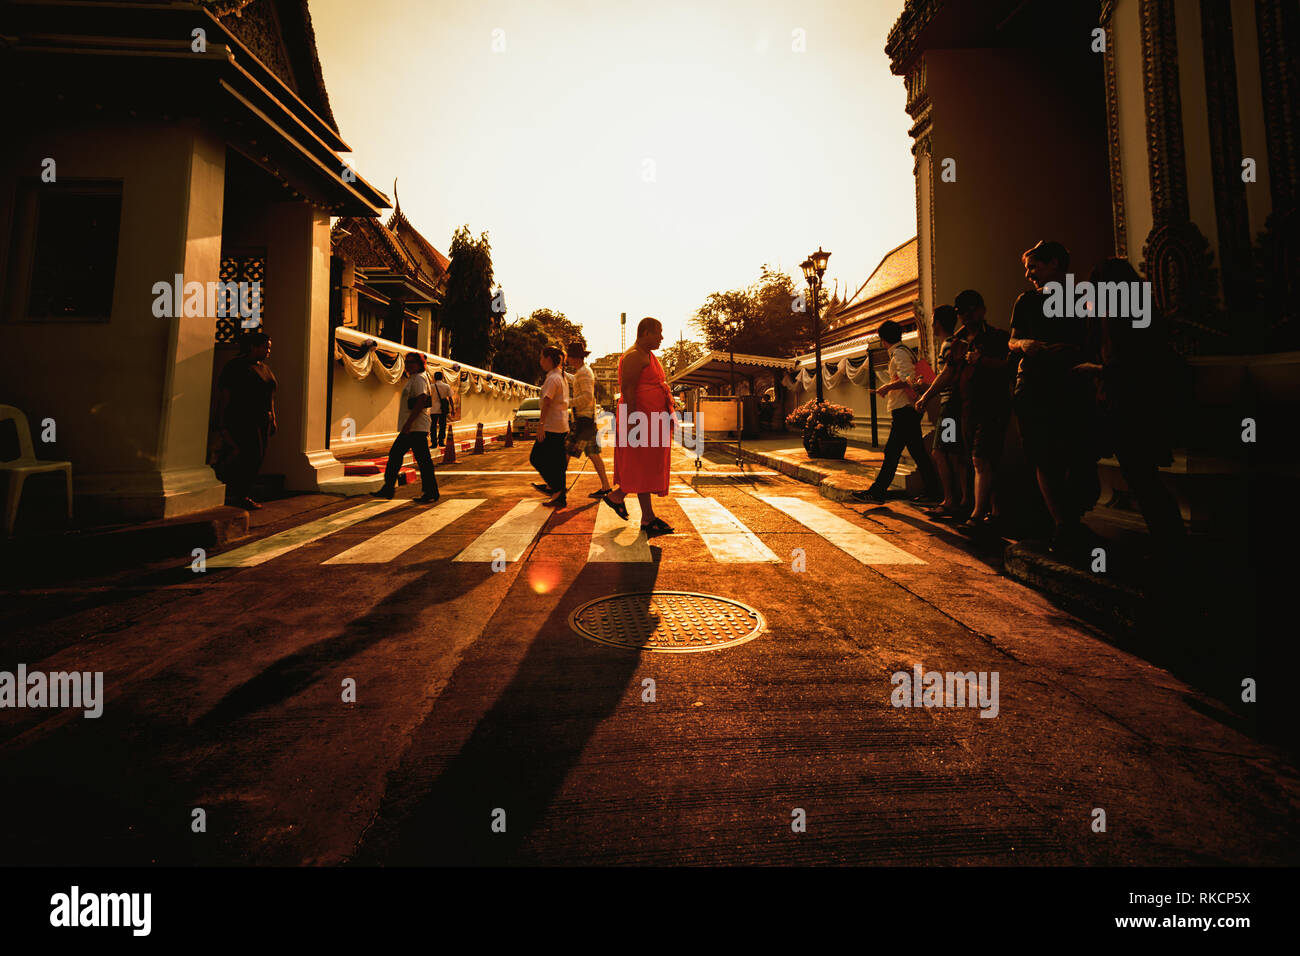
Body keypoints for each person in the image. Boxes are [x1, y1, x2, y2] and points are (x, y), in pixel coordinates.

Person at [1076, 257, 1187, 558]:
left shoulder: (1127, 315)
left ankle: (1172, 544)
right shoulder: (1121, 313)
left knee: (1141, 476)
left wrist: (1099, 370)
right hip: (1120, 403)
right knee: (1140, 476)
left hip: (1134, 405)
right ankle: (1169, 541)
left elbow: (1140, 363)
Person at [1010, 240, 1101, 552]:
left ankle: (1073, 518)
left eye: (1034, 267)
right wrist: (1023, 346)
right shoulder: (1026, 301)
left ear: (1055, 265)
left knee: (1076, 453)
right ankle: (1062, 525)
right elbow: (1012, 341)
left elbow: (1095, 338)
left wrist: (1074, 352)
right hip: (1034, 385)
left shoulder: (1084, 297)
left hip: (1072, 384)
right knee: (1043, 456)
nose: (1029, 274)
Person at [851, 319, 943, 506]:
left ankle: (877, 492)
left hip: (904, 409)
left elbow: (907, 377)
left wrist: (886, 386)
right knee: (915, 452)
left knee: (893, 452)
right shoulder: (904, 351)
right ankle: (933, 491)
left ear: (883, 339)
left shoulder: (899, 353)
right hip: (907, 408)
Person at [601, 317, 675, 535]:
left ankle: (641, 512)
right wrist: (633, 420)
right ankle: (623, 501)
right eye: (657, 333)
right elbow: (628, 389)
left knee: (646, 464)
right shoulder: (634, 356)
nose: (661, 337)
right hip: (641, 418)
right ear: (644, 333)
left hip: (651, 418)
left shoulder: (647, 355)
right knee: (642, 464)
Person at [950, 289, 1012, 535]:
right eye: (961, 313)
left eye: (970, 311)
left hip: (993, 405)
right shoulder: (957, 342)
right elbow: (950, 373)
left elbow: (1010, 366)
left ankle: (977, 515)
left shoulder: (998, 337)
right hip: (967, 407)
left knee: (981, 459)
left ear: (981, 310)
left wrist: (981, 359)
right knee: (982, 461)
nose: (965, 317)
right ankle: (995, 512)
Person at [914, 305, 970, 520]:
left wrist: (925, 395)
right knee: (954, 454)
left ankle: (950, 500)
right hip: (955, 404)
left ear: (937, 322)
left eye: (932, 320)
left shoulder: (949, 345)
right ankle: (962, 499)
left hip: (950, 405)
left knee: (940, 452)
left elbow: (948, 375)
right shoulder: (955, 343)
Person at [215, 330, 277, 511]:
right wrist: (221, 420)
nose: (268, 351)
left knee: (258, 457)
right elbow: (225, 394)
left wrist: (273, 417)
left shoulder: (265, 368)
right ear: (253, 347)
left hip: (262, 419)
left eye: (269, 348)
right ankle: (237, 495)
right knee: (246, 456)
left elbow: (270, 395)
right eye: (265, 347)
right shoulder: (236, 366)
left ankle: (242, 493)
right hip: (242, 418)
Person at [371, 352, 439, 503]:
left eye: (412, 362)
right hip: (414, 427)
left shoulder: (419, 378)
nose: (408, 365)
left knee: (397, 455)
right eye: (407, 362)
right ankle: (429, 491)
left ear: (420, 364)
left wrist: (408, 424)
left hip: (415, 427)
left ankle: (389, 488)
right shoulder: (414, 378)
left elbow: (422, 400)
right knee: (417, 460)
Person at [565, 341, 611, 498]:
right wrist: (563, 375)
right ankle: (605, 486)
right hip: (586, 420)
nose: (567, 360)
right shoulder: (582, 372)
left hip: (583, 421)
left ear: (573, 358)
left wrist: (567, 402)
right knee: (593, 454)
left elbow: (586, 397)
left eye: (569, 357)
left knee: (566, 451)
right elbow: (577, 381)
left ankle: (556, 486)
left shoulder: (583, 373)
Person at [530, 345, 570, 508]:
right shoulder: (559, 376)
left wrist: (541, 425)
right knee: (557, 463)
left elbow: (547, 402)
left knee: (537, 458)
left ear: (548, 359)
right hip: (561, 425)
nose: (540, 361)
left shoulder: (553, 378)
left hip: (552, 426)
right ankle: (559, 494)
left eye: (541, 358)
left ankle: (556, 489)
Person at [429, 370, 454, 448]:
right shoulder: (446, 386)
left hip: (433, 409)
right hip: (443, 409)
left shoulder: (431, 386)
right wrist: (453, 409)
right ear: (442, 377)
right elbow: (450, 398)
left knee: (433, 426)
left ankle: (433, 443)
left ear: (434, 377)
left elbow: (428, 397)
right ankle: (441, 442)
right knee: (442, 426)